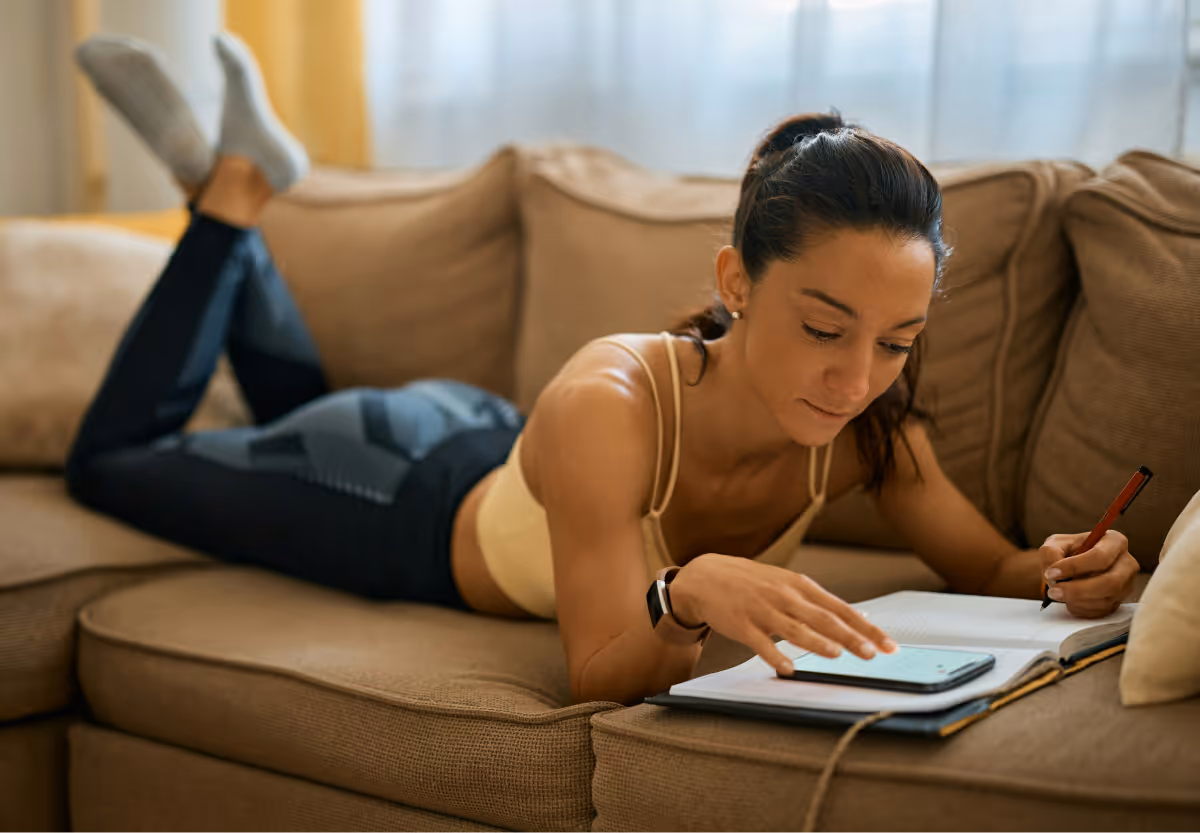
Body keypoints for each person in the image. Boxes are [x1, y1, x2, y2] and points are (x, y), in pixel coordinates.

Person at [68, 33, 1141, 707]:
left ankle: (231, 191)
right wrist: (682, 592)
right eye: (825, 328)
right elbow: (598, 671)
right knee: (112, 462)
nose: (858, 377)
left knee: (290, 412)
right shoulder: (610, 396)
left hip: (492, 441)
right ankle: (229, 203)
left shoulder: (872, 433)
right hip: (394, 486)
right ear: (736, 280)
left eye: (896, 341)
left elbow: (989, 567)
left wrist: (1065, 566)